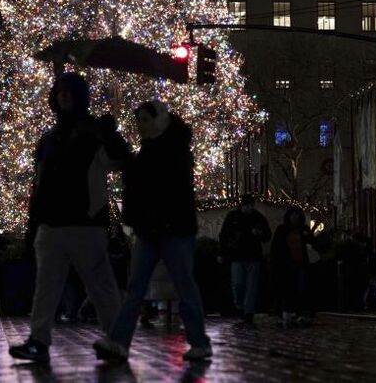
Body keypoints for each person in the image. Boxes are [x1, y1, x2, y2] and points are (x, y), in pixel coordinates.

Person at [9, 72, 129, 363]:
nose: (64, 95)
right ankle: (39, 341)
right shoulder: (48, 139)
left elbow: (120, 160)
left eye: (69, 90)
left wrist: (110, 134)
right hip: (52, 223)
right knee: (47, 287)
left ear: (80, 96)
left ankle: (117, 340)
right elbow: (38, 184)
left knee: (99, 285)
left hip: (84, 222)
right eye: (60, 90)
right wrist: (33, 224)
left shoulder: (92, 132)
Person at [94, 101, 212, 362]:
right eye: (139, 121)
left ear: (159, 120)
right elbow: (138, 176)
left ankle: (198, 341)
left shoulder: (173, 149)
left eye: (145, 120)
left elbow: (155, 183)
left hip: (171, 228)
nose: (141, 126)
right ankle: (119, 342)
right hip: (155, 228)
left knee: (181, 285)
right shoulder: (155, 149)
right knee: (139, 286)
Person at [219, 193, 271, 324]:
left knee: (251, 285)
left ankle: (248, 310)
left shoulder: (258, 217)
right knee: (238, 284)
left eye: (250, 205)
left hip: (253, 256)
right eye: (246, 205)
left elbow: (267, 235)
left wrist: (260, 234)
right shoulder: (233, 217)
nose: (248, 208)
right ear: (241, 205)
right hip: (237, 256)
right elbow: (224, 235)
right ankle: (241, 305)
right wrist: (223, 252)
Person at [270, 206, 312, 327]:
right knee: (287, 289)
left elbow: (311, 244)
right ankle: (287, 312)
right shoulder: (282, 230)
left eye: (297, 215)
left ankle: (299, 313)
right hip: (286, 265)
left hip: (301, 263)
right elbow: (276, 248)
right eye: (293, 215)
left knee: (301, 288)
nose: (295, 217)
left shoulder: (303, 230)